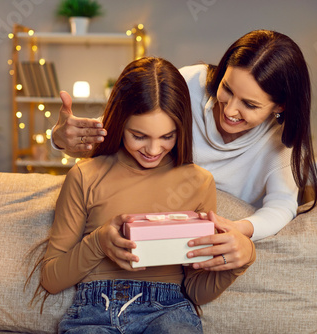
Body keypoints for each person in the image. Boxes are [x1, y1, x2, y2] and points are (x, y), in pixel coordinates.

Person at [51, 30, 317, 266]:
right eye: (226, 89)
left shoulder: (283, 143)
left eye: (249, 105)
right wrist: (61, 139)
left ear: (280, 106)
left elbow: (282, 207)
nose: (229, 109)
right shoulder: (192, 83)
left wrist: (236, 230)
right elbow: (124, 132)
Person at [40, 57, 255, 333]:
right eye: (139, 135)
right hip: (93, 314)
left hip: (168, 313)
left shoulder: (198, 182)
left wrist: (243, 258)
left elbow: (196, 290)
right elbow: (51, 278)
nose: (154, 150)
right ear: (119, 123)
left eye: (168, 136)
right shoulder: (85, 176)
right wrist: (99, 243)